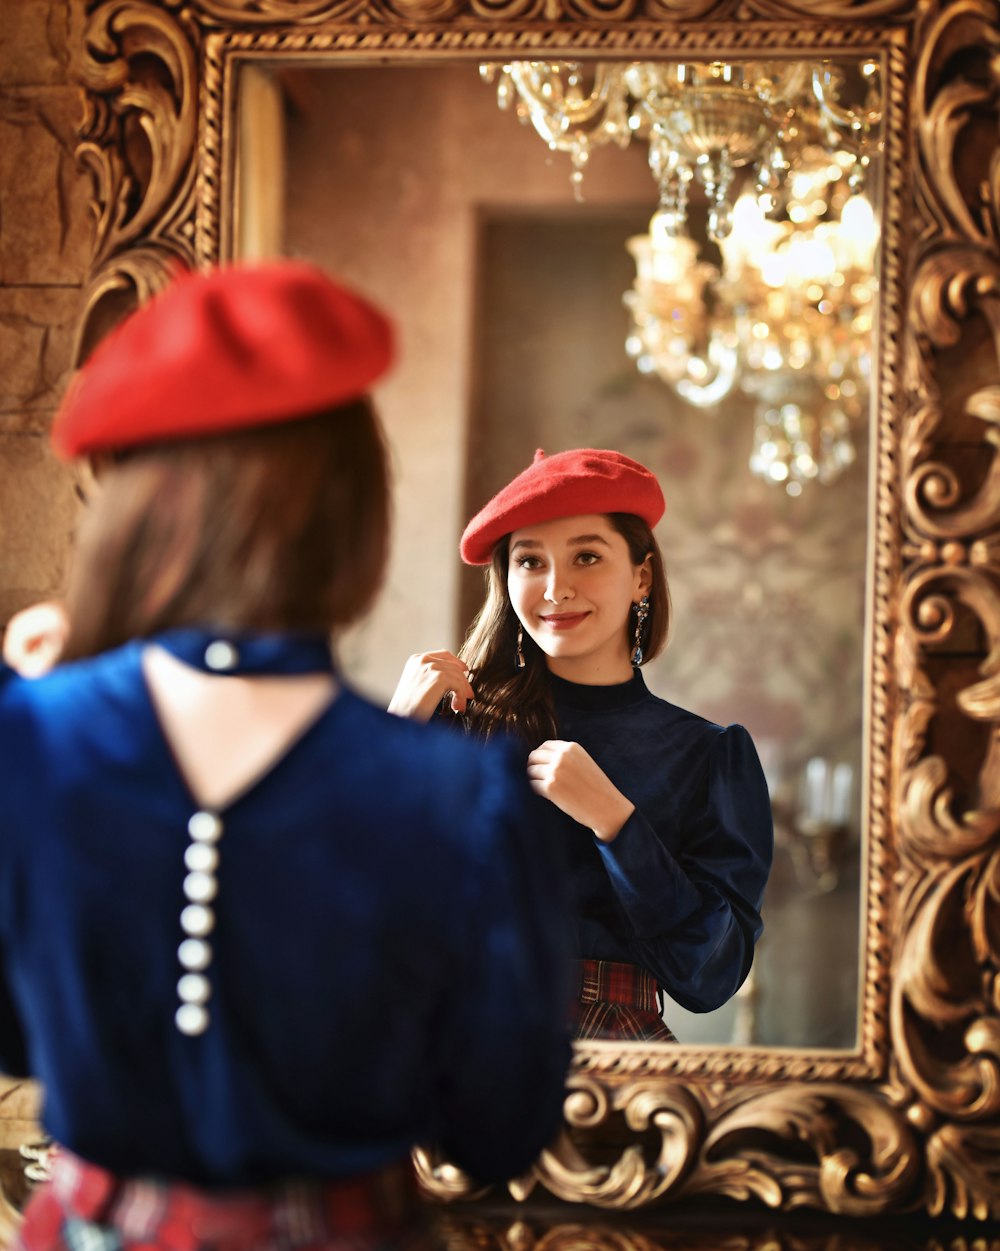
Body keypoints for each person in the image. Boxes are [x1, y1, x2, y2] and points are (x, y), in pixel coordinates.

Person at [0, 263, 572, 1251]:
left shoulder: (24, 741)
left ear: (132, 511)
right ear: (356, 515)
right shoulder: (457, 793)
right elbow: (497, 1128)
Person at [390, 448, 773, 1042]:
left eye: (586, 557)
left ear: (641, 576)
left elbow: (710, 975)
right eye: (530, 561)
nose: (555, 588)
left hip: (619, 1064)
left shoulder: (708, 755)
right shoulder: (453, 724)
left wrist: (617, 822)